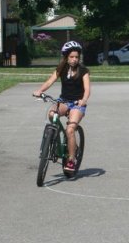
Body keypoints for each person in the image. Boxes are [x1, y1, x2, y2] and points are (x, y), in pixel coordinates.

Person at [33, 41, 90, 172]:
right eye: (72, 57)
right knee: (52, 114)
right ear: (66, 57)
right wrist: (40, 91)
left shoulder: (83, 71)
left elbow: (87, 89)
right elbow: (49, 81)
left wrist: (84, 99)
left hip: (77, 103)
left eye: (76, 57)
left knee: (70, 130)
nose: (74, 59)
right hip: (63, 101)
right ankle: (55, 137)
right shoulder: (61, 69)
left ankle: (71, 159)